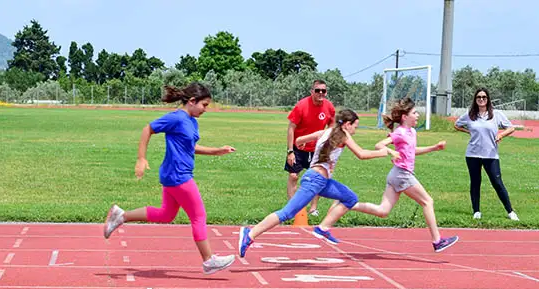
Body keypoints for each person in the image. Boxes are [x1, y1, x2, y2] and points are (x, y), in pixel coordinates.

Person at [104, 83, 236, 275]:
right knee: (198, 216)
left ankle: (122, 215)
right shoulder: (177, 118)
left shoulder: (192, 120)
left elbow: (189, 147)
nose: (206, 110)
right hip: (178, 175)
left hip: (174, 174)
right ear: (192, 101)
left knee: (167, 214)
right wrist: (141, 158)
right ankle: (208, 260)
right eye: (204, 105)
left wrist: (217, 151)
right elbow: (147, 129)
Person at [238, 108, 399, 257]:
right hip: (314, 180)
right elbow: (361, 154)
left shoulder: (326, 131)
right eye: (355, 127)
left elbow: (299, 140)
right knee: (287, 213)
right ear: (347, 125)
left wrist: (302, 143)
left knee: (350, 198)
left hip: (322, 182)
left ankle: (322, 228)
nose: (355, 131)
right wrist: (383, 152)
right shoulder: (343, 134)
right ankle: (250, 234)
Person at [316, 98, 459, 253]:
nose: (418, 115)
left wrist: (434, 148)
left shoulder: (412, 132)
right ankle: (437, 241)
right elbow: (379, 145)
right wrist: (391, 151)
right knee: (427, 201)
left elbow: (412, 151)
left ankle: (346, 204)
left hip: (397, 175)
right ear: (405, 117)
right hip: (402, 175)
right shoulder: (400, 133)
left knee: (383, 211)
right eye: (414, 113)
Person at [453, 88, 518, 221]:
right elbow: (457, 125)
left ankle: (510, 211)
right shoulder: (470, 115)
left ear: (488, 99)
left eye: (484, 97)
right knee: (475, 182)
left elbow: (511, 128)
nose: (481, 99)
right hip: (473, 154)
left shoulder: (496, 114)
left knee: (497, 182)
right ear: (475, 100)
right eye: (478, 97)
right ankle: (476, 211)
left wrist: (501, 135)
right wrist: (468, 132)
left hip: (491, 155)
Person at [285, 79, 336, 217]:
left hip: (317, 149)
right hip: (298, 146)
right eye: (317, 90)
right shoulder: (302, 105)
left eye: (323, 91)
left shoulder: (329, 107)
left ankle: (313, 208)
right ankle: (292, 209)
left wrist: (327, 143)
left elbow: (332, 125)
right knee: (293, 176)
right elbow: (291, 128)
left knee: (317, 178)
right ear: (312, 91)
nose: (320, 93)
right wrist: (290, 151)